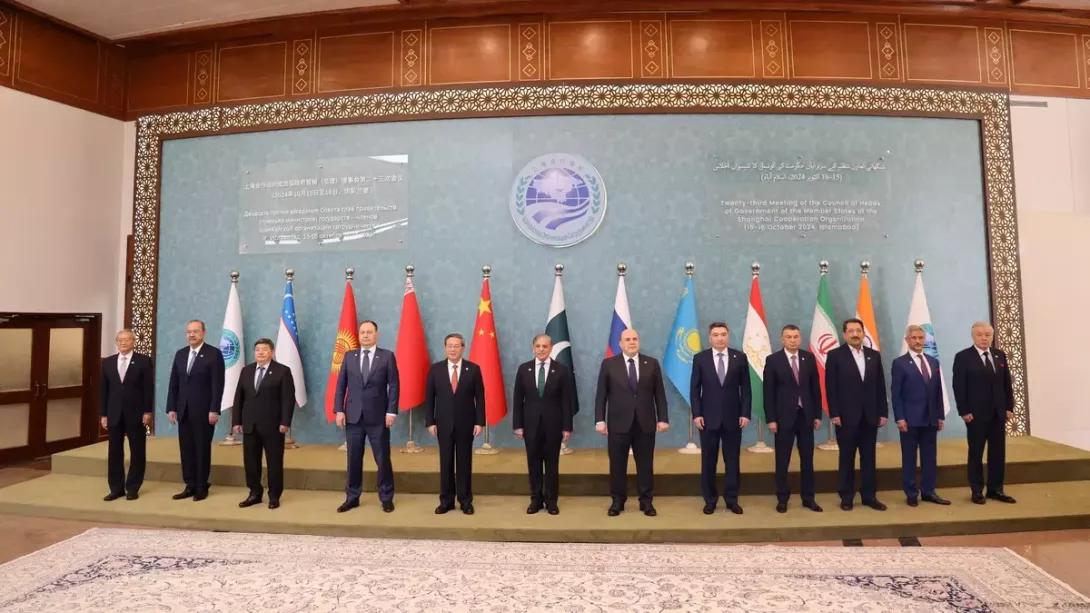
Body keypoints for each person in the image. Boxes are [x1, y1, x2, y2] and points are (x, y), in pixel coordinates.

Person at [594, 328, 669, 517]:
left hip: (645, 423)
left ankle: (646, 502)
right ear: (620, 343)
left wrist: (663, 418)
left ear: (639, 341)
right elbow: (601, 395)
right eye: (627, 339)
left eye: (635, 338)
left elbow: (659, 394)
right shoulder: (609, 364)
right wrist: (600, 420)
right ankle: (617, 501)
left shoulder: (651, 364)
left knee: (645, 465)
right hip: (618, 423)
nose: (632, 342)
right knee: (617, 465)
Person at [334, 320, 399, 513]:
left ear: (376, 335)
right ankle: (352, 497)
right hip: (353, 417)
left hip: (379, 417)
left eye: (369, 332)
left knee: (382, 459)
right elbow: (341, 386)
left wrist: (391, 410)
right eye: (362, 332)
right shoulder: (349, 356)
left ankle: (386, 497)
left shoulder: (387, 356)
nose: (365, 335)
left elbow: (394, 385)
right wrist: (339, 409)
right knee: (353, 459)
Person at [825, 318, 889, 511]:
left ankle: (869, 496)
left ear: (863, 333)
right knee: (846, 458)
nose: (855, 334)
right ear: (845, 334)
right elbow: (830, 387)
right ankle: (846, 496)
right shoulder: (835, 355)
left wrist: (883, 412)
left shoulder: (873, 355)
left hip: (870, 416)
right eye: (851, 331)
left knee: (869, 458)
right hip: (845, 417)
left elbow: (880, 386)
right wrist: (834, 412)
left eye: (858, 331)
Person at [689, 322, 751, 515]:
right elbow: (694, 389)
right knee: (709, 461)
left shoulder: (739, 357)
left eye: (723, 334)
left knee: (732, 461)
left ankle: (732, 499)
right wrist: (697, 414)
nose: (720, 338)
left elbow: (746, 390)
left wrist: (745, 413)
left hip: (734, 419)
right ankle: (710, 500)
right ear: (710, 337)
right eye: (715, 335)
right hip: (708, 419)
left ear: (728, 336)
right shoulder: (700, 358)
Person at [953, 321, 1016, 505]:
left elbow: (1006, 384)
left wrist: (1009, 407)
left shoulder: (999, 355)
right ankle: (977, 491)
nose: (984, 338)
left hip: (998, 414)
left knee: (998, 453)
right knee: (976, 454)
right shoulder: (963, 357)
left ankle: (996, 489)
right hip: (975, 416)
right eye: (980, 334)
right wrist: (963, 410)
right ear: (973, 336)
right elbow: (959, 386)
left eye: (988, 334)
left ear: (992, 336)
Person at [512, 333, 574, 515]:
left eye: (545, 346)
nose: (541, 349)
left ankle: (551, 501)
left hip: (554, 425)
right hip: (530, 425)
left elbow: (566, 401)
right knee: (533, 463)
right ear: (533, 348)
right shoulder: (524, 369)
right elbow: (518, 400)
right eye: (538, 346)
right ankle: (536, 500)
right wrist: (518, 425)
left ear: (551, 348)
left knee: (552, 465)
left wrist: (567, 426)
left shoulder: (561, 370)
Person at [764, 324, 823, 513]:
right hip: (783, 419)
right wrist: (771, 419)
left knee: (808, 459)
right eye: (788, 337)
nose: (792, 340)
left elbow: (815, 389)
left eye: (795, 336)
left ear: (800, 338)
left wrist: (817, 415)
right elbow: (768, 393)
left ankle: (808, 498)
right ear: (782, 339)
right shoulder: (773, 360)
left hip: (806, 417)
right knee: (783, 460)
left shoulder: (809, 358)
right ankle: (782, 498)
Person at [425, 333, 484, 514]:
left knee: (464, 463)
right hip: (442, 424)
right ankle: (446, 501)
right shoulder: (436, 369)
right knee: (446, 463)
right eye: (449, 346)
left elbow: (480, 398)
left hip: (467, 425)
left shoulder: (473, 369)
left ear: (462, 348)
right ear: (445, 348)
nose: (452, 349)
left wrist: (479, 422)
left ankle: (465, 501)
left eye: (456, 346)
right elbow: (429, 399)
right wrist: (430, 421)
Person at [891, 324, 950, 507]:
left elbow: (938, 391)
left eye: (920, 338)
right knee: (909, 458)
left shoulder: (933, 362)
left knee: (930, 457)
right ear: (907, 340)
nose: (918, 341)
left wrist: (940, 415)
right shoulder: (900, 363)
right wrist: (900, 418)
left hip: (931, 419)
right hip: (909, 420)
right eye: (914, 338)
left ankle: (928, 491)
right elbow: (896, 393)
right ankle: (911, 493)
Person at [166, 319, 224, 502]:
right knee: (186, 449)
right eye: (189, 332)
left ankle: (201, 485)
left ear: (203, 333)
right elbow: (173, 383)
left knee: (201, 448)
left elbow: (218, 385)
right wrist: (171, 407)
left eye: (195, 331)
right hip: (183, 410)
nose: (191, 334)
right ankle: (189, 485)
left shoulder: (213, 354)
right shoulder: (180, 354)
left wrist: (214, 409)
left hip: (204, 411)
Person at [232, 338, 294, 509]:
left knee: (274, 462)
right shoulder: (246, 371)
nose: (260, 352)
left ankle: (274, 495)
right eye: (257, 349)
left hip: (274, 426)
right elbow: (239, 397)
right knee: (251, 462)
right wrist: (236, 420)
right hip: (250, 425)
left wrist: (285, 422)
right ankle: (254, 493)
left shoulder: (282, 371)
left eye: (264, 349)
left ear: (272, 352)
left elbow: (287, 400)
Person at [100, 329, 154, 501]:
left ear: (133, 342)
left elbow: (148, 389)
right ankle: (116, 488)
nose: (123, 343)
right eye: (120, 340)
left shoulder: (144, 361)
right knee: (114, 451)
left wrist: (148, 411)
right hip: (114, 413)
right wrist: (103, 414)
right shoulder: (107, 362)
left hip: (136, 413)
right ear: (116, 342)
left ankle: (132, 487)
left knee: (137, 450)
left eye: (127, 340)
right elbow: (104, 391)